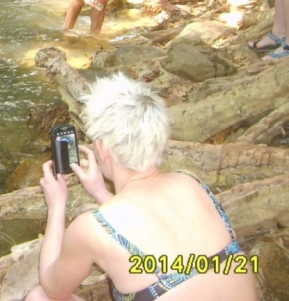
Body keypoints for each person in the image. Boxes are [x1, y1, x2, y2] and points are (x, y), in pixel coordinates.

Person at [25, 73, 258, 301]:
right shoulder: (190, 182)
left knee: (38, 297)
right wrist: (100, 192)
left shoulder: (92, 228)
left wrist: (57, 205)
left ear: (103, 149)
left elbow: (53, 289)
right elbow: (151, 235)